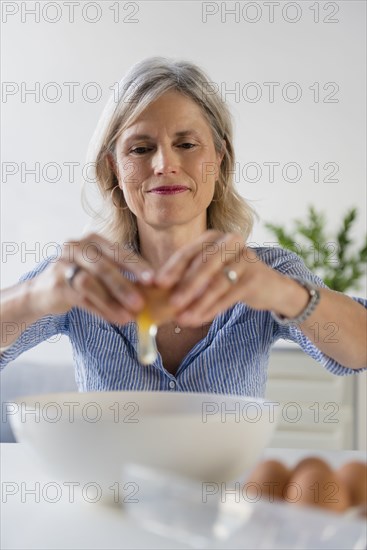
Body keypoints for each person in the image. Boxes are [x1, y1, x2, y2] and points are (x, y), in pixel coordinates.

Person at [1, 57, 366, 396]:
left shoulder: (265, 273)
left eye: (187, 143)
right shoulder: (82, 278)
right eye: (140, 149)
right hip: (109, 468)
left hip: (225, 470)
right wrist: (31, 297)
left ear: (219, 159)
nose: (164, 164)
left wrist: (288, 295)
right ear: (114, 167)